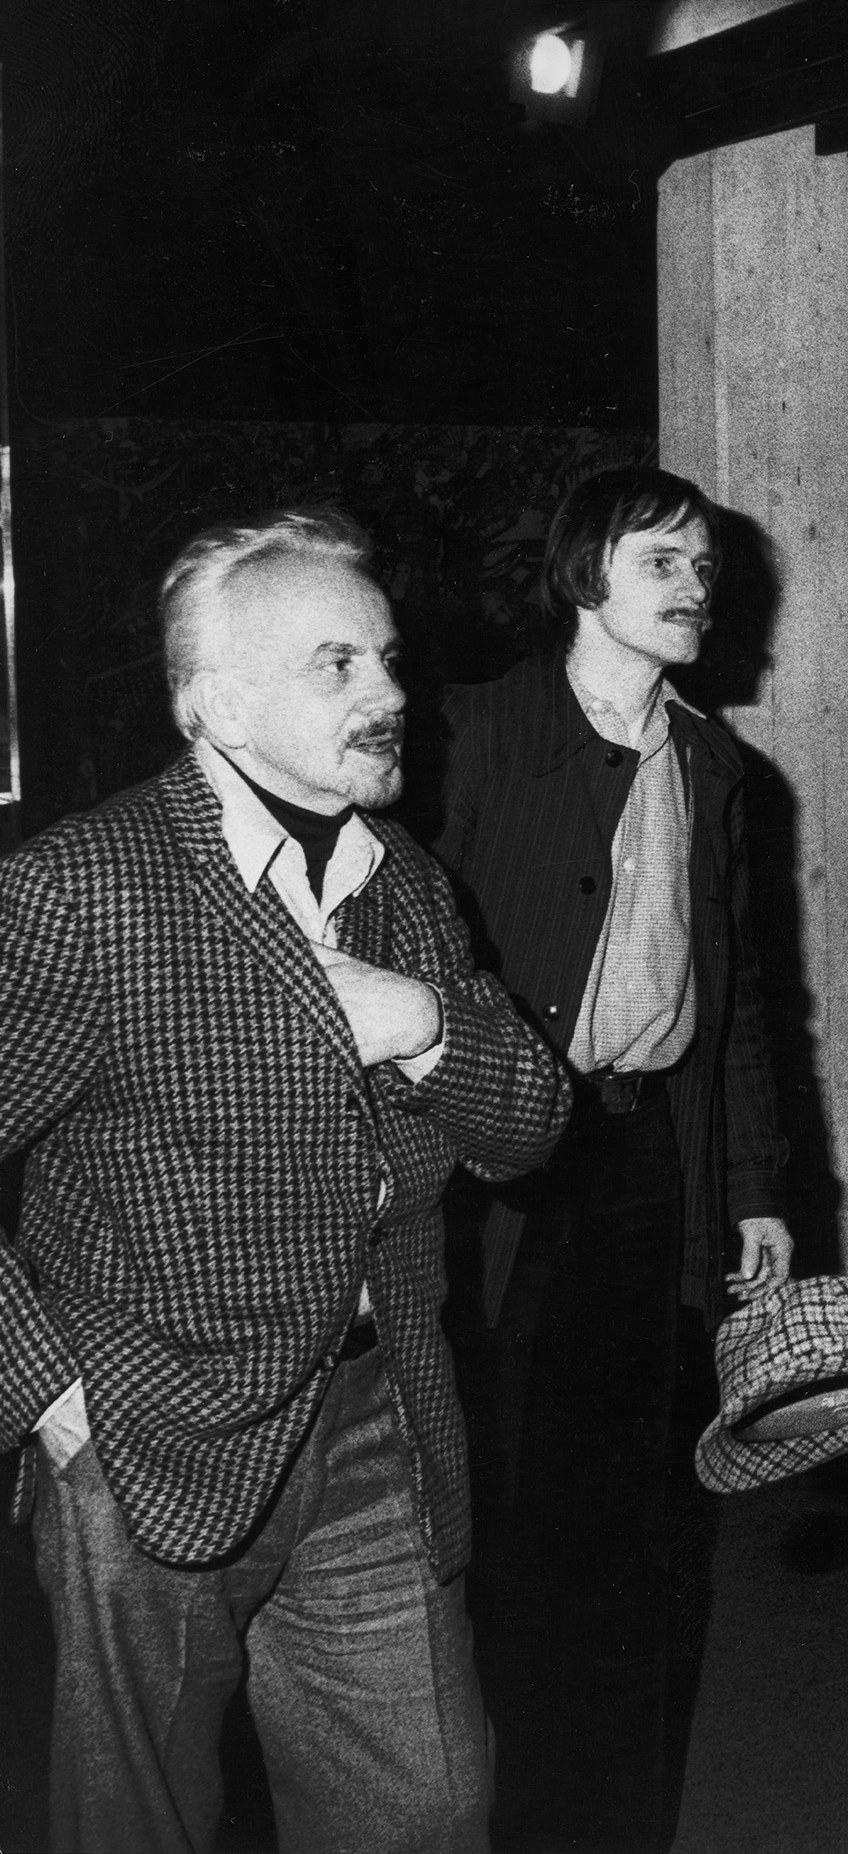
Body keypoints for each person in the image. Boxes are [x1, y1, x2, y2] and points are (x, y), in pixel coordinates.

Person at [0, 509, 573, 1854]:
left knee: (428, 1808)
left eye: (385, 662)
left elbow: (531, 1129)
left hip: (377, 1424)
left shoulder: (409, 888)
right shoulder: (84, 889)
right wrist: (44, 1391)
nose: (391, 696)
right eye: (337, 666)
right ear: (217, 705)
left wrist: (423, 1022)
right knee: (141, 1824)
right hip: (141, 1441)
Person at [429, 466, 791, 1848]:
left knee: (641, 1518)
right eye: (665, 561)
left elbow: (741, 995)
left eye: (709, 566)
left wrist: (752, 1183)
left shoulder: (714, 765)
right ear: (586, 573)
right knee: (504, 1512)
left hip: (649, 1174)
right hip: (498, 1185)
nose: (697, 586)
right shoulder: (472, 734)